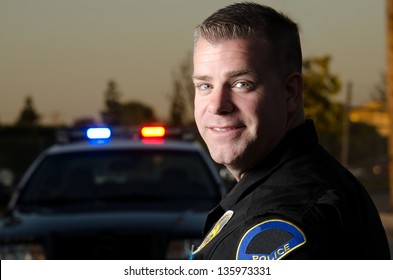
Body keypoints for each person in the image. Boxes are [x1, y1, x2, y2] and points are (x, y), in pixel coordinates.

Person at [191, 2, 390, 260]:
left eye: (242, 84)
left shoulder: (285, 219)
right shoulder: (298, 186)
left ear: (290, 92)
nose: (217, 106)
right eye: (205, 86)